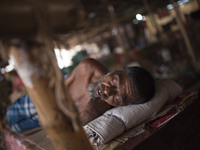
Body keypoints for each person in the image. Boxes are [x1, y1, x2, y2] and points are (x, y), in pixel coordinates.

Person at [65, 58, 155, 125]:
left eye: (117, 97)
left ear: (123, 105)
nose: (107, 92)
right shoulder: (89, 68)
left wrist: (89, 115)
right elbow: (60, 87)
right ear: (116, 71)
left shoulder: (99, 113)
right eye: (114, 82)